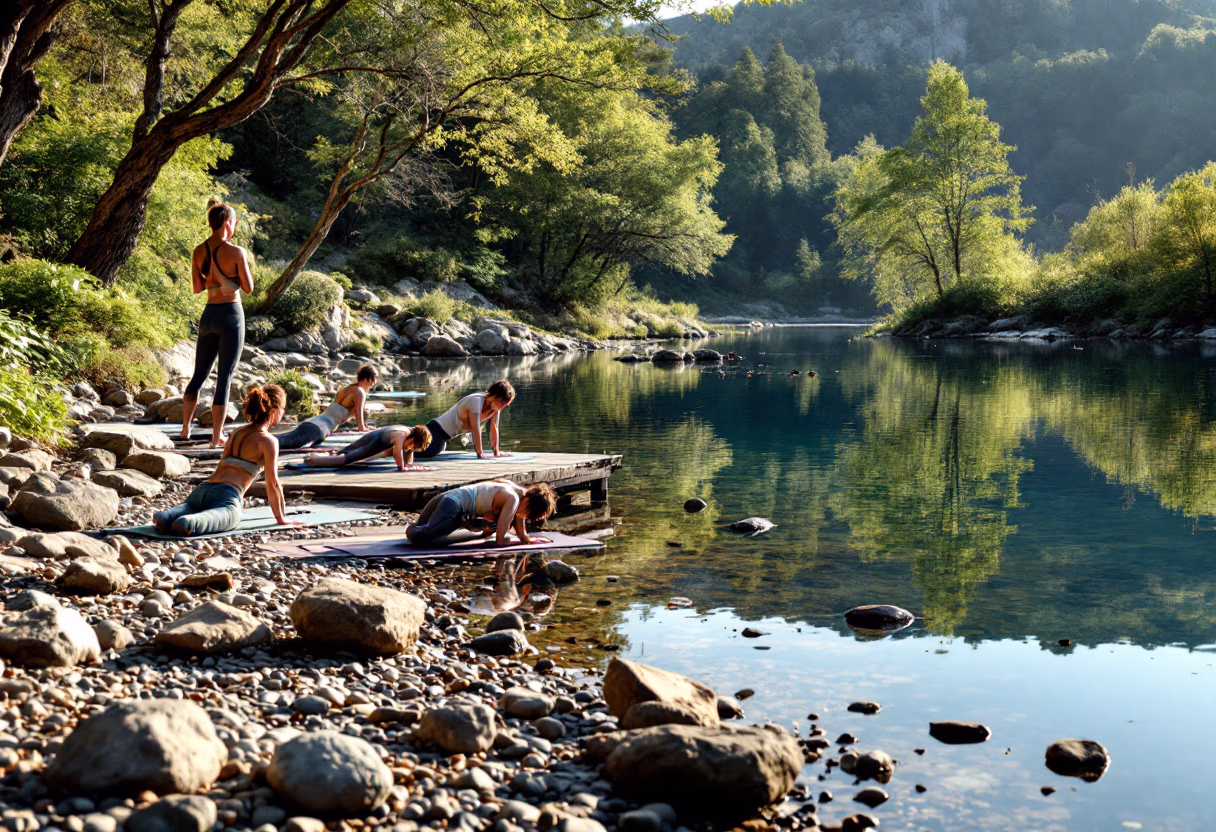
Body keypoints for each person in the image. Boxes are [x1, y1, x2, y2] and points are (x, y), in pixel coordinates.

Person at [154, 385, 300, 536]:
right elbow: (273, 482)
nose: (284, 413)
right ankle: (187, 523)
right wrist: (281, 518)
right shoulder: (268, 441)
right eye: (283, 409)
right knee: (223, 517)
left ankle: (166, 516)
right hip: (227, 496)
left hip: (203, 490)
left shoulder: (236, 432)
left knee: (188, 507)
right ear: (275, 411)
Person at [181, 198, 254, 448]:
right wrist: (228, 277)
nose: (234, 227)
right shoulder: (236, 252)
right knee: (224, 377)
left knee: (198, 375)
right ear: (227, 223)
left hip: (208, 315)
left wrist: (214, 277)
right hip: (230, 315)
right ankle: (216, 437)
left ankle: (184, 430)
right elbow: (249, 288)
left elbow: (197, 287)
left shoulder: (198, 251)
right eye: (233, 223)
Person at [406, 479, 557, 547]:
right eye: (529, 516)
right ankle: (412, 529)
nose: (527, 519)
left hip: (449, 497)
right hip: (452, 504)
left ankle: (460, 521)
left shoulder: (515, 491)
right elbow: (500, 540)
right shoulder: (512, 499)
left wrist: (525, 538)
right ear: (529, 503)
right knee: (422, 538)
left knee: (423, 527)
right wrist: (518, 541)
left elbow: (518, 518)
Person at [276, 364, 376, 450]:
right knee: (279, 443)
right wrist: (371, 431)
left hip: (312, 422)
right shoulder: (360, 392)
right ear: (369, 379)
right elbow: (360, 425)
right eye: (373, 380)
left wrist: (365, 426)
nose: (373, 384)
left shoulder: (346, 389)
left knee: (278, 439)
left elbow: (349, 414)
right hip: (319, 429)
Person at [417, 379, 515, 459]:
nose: (502, 408)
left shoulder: (494, 409)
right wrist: (480, 453)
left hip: (445, 437)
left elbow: (494, 429)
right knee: (425, 451)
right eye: (503, 404)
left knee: (438, 448)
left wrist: (496, 452)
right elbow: (475, 428)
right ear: (496, 398)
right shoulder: (476, 401)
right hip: (435, 430)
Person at [304, 424, 432, 471]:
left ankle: (328, 455)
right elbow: (397, 453)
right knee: (350, 457)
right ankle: (315, 460)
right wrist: (402, 467)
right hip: (377, 441)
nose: (412, 448)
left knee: (349, 449)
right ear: (415, 439)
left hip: (375, 434)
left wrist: (410, 464)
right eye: (415, 445)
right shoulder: (402, 434)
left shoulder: (406, 429)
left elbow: (408, 450)